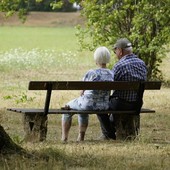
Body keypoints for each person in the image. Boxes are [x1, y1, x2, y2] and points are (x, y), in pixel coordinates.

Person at [97, 38, 147, 140]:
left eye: (115, 50)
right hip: (137, 104)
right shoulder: (142, 64)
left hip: (121, 104)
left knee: (99, 106)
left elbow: (110, 84)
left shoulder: (119, 66)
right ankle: (113, 130)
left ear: (120, 51)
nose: (115, 53)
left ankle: (109, 134)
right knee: (112, 103)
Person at [61, 46, 114, 142]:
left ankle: (64, 138)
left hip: (88, 104)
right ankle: (80, 137)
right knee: (82, 107)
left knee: (68, 107)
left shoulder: (91, 73)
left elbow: (82, 91)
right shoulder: (111, 74)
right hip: (103, 106)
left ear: (96, 58)